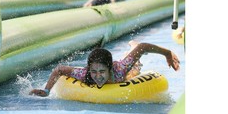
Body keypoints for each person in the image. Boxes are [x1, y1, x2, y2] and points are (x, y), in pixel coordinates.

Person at [29, 40, 180, 97]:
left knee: (135, 68)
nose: (97, 76)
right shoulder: (84, 74)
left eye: (102, 72)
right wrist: (47, 91)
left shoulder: (119, 70)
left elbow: (143, 47)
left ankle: (131, 46)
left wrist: (167, 53)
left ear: (109, 69)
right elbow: (59, 70)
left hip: (124, 72)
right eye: (94, 71)